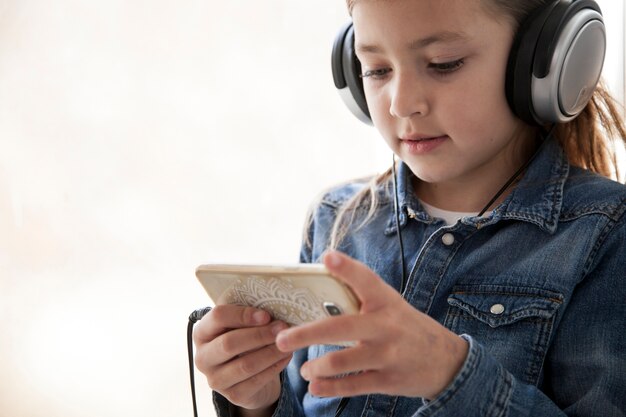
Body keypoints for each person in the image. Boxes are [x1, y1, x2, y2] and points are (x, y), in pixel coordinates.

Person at [193, 0, 626, 416]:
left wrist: (450, 373)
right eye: (377, 70)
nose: (402, 103)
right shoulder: (338, 220)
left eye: (443, 63)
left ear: (547, 59)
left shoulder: (604, 234)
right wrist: (258, 399)